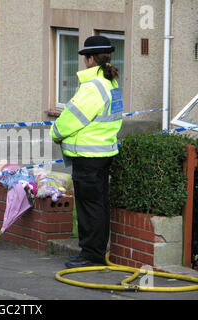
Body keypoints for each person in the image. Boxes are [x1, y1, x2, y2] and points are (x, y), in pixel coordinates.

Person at [50, 35, 124, 268]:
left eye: (85, 58)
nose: (84, 62)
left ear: (90, 59)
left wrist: (55, 133)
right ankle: (96, 252)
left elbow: (71, 119)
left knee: (89, 207)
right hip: (103, 154)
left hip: (88, 158)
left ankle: (91, 255)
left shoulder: (92, 87)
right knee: (99, 205)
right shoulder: (111, 82)